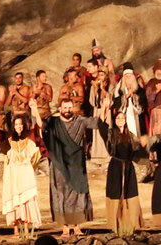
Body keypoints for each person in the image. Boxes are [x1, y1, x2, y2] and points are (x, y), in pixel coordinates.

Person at [44, 95, 102, 237]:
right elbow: (43, 128)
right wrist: (34, 110)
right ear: (60, 109)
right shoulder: (54, 122)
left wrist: (105, 107)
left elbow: (96, 123)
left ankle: (77, 227)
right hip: (59, 164)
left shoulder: (80, 121)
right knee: (61, 194)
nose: (68, 110)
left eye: (70, 107)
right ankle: (65, 228)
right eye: (65, 108)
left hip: (76, 164)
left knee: (78, 194)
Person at [103, 107, 149, 235]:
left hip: (128, 167)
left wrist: (143, 144)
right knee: (116, 192)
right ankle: (115, 223)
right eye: (118, 118)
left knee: (130, 192)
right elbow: (107, 141)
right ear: (115, 120)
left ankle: (131, 222)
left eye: (122, 118)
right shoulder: (111, 133)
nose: (120, 120)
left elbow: (137, 151)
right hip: (116, 167)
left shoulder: (131, 135)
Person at [0, 114, 43, 237]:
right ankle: (16, 229)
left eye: (20, 124)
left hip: (25, 173)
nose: (18, 126)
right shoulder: (8, 142)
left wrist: (29, 167)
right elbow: (6, 158)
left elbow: (35, 156)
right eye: (16, 124)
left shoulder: (29, 141)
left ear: (24, 126)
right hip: (13, 173)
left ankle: (26, 227)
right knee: (14, 198)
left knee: (26, 199)